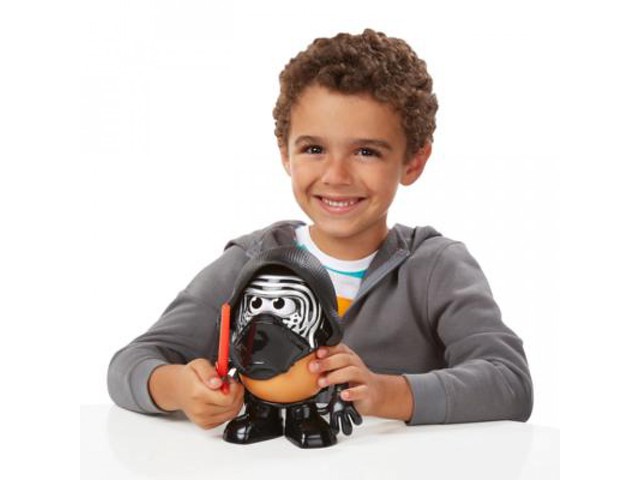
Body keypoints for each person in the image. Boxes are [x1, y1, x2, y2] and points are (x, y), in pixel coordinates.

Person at [108, 29, 533, 431]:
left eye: (366, 152)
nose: (336, 175)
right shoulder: (251, 261)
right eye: (314, 149)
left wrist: (387, 393)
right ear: (285, 154)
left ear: (413, 161)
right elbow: (131, 363)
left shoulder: (436, 267)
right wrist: (179, 389)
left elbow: (509, 383)